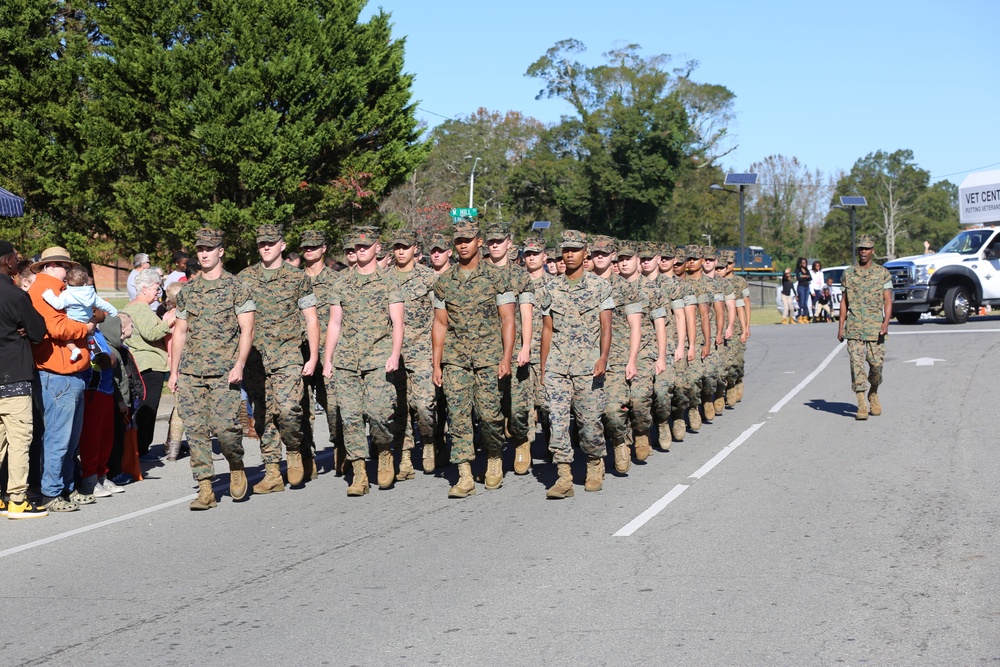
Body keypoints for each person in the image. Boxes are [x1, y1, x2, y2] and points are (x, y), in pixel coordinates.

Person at [168, 228, 255, 510]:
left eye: (209, 248)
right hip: (192, 372)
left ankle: (236, 464)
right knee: (195, 431)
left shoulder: (237, 287)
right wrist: (174, 371)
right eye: (200, 249)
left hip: (224, 372)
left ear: (221, 251)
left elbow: (247, 329)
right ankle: (205, 488)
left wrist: (240, 364)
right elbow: (180, 332)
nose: (204, 253)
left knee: (226, 429)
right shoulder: (189, 291)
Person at [431, 219, 516, 499]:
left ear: (479, 242)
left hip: (489, 356)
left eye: (468, 239)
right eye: (458, 241)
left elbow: (507, 320)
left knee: (490, 416)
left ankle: (494, 457)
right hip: (456, 358)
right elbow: (441, 324)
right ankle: (464, 474)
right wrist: (437, 363)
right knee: (457, 417)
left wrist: (506, 357)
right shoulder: (445, 282)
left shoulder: (497, 277)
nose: (463, 245)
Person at [323, 226, 404, 496]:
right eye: (356, 248)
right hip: (346, 360)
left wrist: (394, 354)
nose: (360, 251)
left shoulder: (389, 281)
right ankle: (359, 473)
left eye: (365, 247)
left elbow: (397, 323)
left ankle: (384, 452)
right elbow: (334, 323)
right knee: (350, 417)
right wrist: (328, 359)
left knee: (379, 414)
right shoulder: (341, 282)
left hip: (378, 358)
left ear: (376, 248)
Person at [240, 224, 319, 492]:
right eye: (262, 243)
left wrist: (314, 356)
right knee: (262, 415)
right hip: (255, 359)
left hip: (288, 355)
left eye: (271, 243)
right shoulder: (244, 278)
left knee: (288, 410)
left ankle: (295, 449)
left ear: (282, 246)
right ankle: (273, 471)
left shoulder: (298, 278)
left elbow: (311, 320)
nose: (266, 247)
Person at [539, 230, 613, 498]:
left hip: (588, 366)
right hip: (558, 365)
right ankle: (564, 476)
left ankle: (594, 465)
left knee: (589, 423)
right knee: (557, 422)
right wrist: (544, 367)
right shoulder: (549, 288)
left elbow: (606, 327)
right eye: (565, 250)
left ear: (586, 254)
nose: (569, 254)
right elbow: (547, 330)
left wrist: (603, 357)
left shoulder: (600, 287)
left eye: (575, 250)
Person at [28, 246, 95, 512]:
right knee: (58, 437)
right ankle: (52, 492)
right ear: (51, 266)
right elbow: (55, 327)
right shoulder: (43, 290)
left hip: (68, 371)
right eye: (64, 266)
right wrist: (87, 327)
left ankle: (65, 488)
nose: (68, 271)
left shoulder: (55, 289)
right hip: (57, 372)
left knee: (68, 439)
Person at [482, 221, 533, 489]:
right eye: (490, 241)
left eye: (499, 241)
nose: (494, 245)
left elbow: (525, 313)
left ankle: (521, 439)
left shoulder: (520, 276)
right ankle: (493, 457)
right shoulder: (477, 272)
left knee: (517, 410)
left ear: (509, 244)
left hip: (513, 351)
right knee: (489, 411)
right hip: (484, 349)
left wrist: (525, 346)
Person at [0, 241, 48, 518]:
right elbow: (38, 330)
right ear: (7, 261)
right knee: (19, 440)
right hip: (14, 377)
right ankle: (17, 499)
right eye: (16, 259)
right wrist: (22, 327)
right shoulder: (15, 295)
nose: (18, 263)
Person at [390, 228, 441, 479]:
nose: (401, 251)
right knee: (399, 408)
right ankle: (406, 457)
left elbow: (441, 316)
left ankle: (429, 440)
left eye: (405, 246)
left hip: (422, 350)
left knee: (423, 406)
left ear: (415, 249)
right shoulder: (384, 278)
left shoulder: (428, 278)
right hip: (392, 352)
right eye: (397, 247)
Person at [299, 229, 344, 476]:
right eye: (305, 247)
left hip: (330, 354)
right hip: (301, 354)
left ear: (323, 248)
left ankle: (341, 447)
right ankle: (307, 459)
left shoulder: (337, 280)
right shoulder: (294, 280)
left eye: (313, 246)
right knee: (302, 410)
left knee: (334, 408)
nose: (309, 251)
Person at [838, 234, 892, 420]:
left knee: (876, 366)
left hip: (875, 329)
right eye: (861, 248)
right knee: (856, 365)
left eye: (867, 248)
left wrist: (885, 323)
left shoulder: (882, 273)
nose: (863, 251)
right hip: (854, 328)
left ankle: (873, 392)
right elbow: (843, 302)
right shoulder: (848, 274)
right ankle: (861, 403)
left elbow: (888, 300)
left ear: (872, 251)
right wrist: (840, 327)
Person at [122, 269, 173, 459]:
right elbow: (151, 333)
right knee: (148, 409)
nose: (158, 292)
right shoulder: (140, 308)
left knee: (143, 408)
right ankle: (141, 448)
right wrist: (169, 321)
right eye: (156, 288)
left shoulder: (134, 307)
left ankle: (138, 447)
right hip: (148, 364)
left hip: (143, 363)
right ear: (144, 288)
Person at [41, 265, 117, 361]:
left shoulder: (67, 294)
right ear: (85, 283)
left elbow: (58, 304)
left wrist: (48, 295)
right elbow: (102, 304)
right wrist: (113, 311)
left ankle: (74, 350)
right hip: (87, 319)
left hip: (73, 319)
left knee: (67, 338)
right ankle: (90, 340)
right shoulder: (91, 294)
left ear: (67, 282)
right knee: (91, 327)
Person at [795, 257, 811, 323]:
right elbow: (799, 278)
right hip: (801, 287)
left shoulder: (807, 270)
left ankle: (805, 317)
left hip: (807, 287)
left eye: (805, 263)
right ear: (800, 263)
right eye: (803, 263)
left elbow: (810, 278)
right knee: (801, 303)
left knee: (805, 303)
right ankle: (800, 317)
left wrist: (804, 276)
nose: (804, 264)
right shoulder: (798, 270)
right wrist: (805, 276)